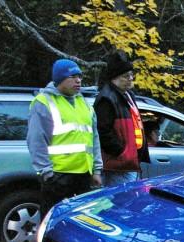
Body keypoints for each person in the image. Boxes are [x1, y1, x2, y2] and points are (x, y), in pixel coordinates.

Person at [27, 59, 102, 217]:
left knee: (82, 221)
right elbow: (36, 141)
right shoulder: (43, 102)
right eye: (73, 76)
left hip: (84, 175)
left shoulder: (84, 103)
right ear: (60, 79)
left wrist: (96, 170)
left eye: (80, 76)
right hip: (58, 176)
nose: (78, 80)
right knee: (53, 221)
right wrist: (47, 174)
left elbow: (94, 138)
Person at [94, 50, 149, 186]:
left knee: (130, 200)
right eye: (126, 76)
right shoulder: (106, 98)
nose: (130, 78)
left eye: (131, 74)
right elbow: (103, 131)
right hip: (118, 165)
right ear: (114, 78)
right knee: (120, 201)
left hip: (130, 162)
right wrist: (121, 152)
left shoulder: (127, 95)